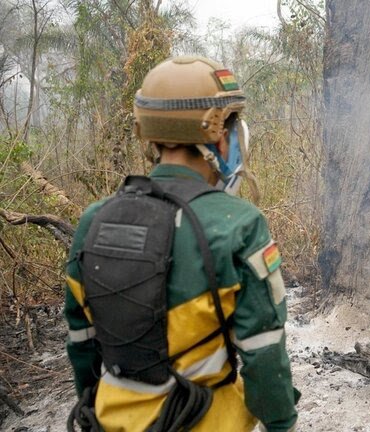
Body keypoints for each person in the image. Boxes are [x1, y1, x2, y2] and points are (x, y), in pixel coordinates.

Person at [64, 56, 299, 431]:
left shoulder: (94, 220)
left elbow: (82, 344)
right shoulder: (238, 224)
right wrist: (282, 423)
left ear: (149, 132)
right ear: (217, 133)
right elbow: (264, 354)